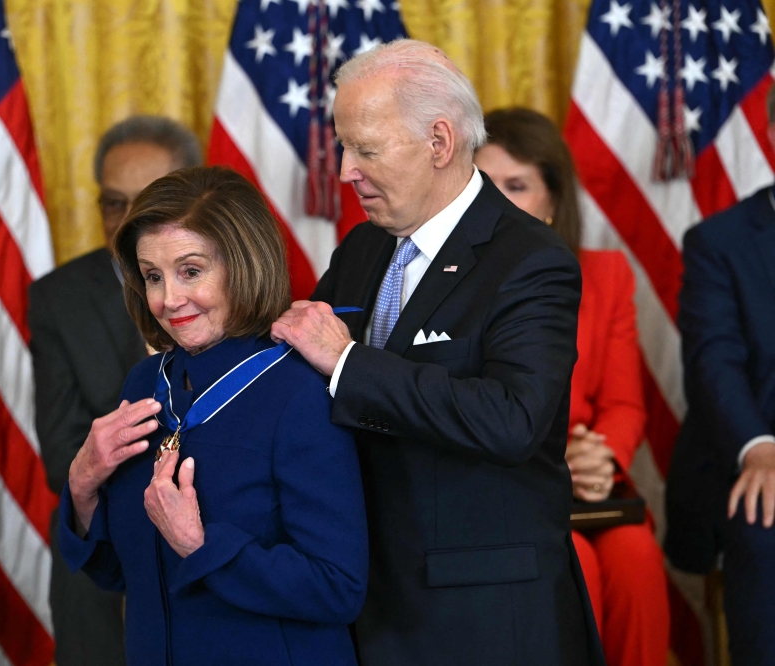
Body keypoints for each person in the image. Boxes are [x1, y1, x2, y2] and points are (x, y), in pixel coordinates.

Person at [272, 39, 604, 665]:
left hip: (482, 615)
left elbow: (512, 419)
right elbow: (300, 374)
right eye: (345, 147)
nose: (346, 171)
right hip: (369, 602)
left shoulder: (530, 261)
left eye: (365, 149)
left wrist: (348, 365)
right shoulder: (362, 250)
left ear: (440, 143)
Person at [58, 166, 368, 665]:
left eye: (191, 271)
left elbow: (338, 589)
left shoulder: (300, 391)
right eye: (153, 276)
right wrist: (82, 486)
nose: (168, 300)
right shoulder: (144, 385)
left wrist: (200, 544)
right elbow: (119, 573)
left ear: (242, 265)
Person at [475, 107, 669, 666]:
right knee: (572, 561)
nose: (501, 201)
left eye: (518, 186)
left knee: (636, 560)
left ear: (554, 201)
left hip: (590, 483)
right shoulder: (450, 282)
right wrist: (556, 458)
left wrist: (597, 459)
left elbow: (625, 403)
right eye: (486, 185)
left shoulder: (606, 274)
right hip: (510, 483)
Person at [28, 115, 202, 665]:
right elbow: (63, 456)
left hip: (212, 529)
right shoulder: (58, 299)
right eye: (112, 202)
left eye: (147, 200)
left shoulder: (234, 285)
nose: (128, 221)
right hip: (109, 534)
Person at [665, 87, 775, 666]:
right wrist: (760, 450)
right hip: (754, 452)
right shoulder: (719, 242)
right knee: (764, 529)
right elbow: (713, 363)